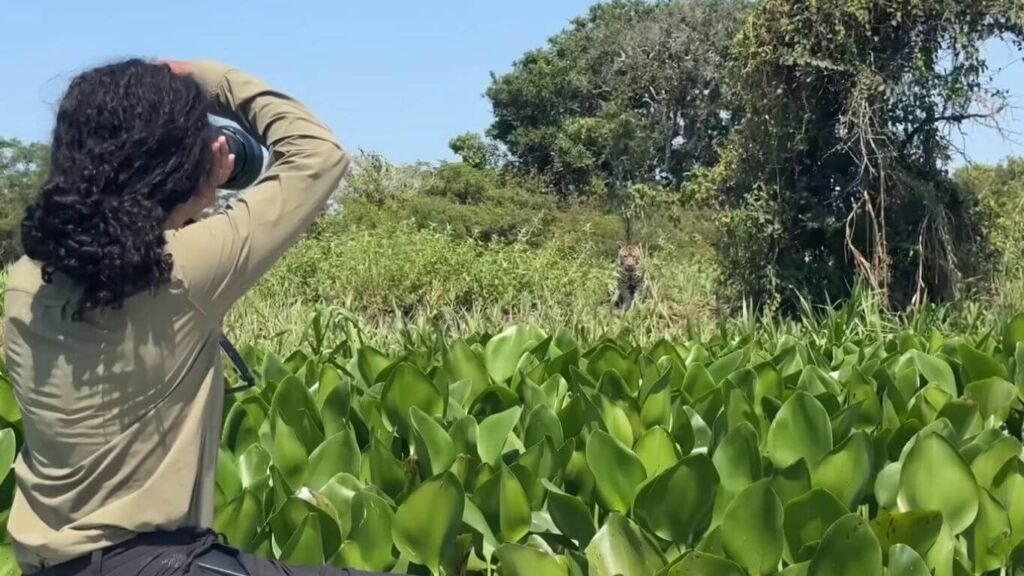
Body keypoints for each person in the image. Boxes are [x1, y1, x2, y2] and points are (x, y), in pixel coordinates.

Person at [2, 59, 382, 576]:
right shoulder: (185, 272)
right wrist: (210, 80)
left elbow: (123, 246)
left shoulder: (26, 277)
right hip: (156, 563)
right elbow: (318, 154)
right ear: (175, 165)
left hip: (53, 564)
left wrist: (187, 199)